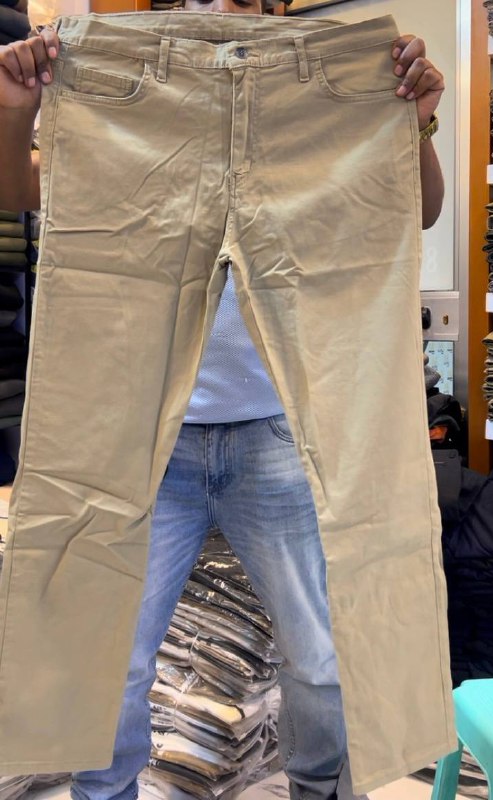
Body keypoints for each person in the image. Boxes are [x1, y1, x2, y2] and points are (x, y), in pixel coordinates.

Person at [0, 5, 445, 800]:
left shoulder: (311, 88)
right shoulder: (129, 81)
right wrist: (16, 112)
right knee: (104, 650)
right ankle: (106, 794)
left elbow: (412, 212)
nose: (218, 19)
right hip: (145, 441)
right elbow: (27, 194)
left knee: (323, 658)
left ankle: (319, 787)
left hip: (274, 437)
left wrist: (407, 124)